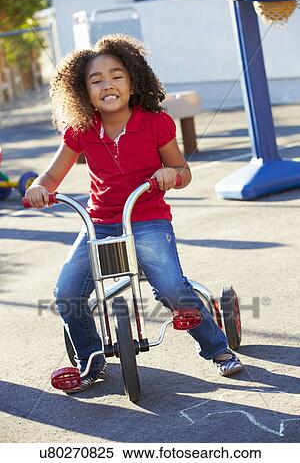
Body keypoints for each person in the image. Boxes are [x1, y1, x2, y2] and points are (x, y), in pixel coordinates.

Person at [25, 34, 243, 393]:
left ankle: (217, 349)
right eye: (96, 80)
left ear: (133, 80)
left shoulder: (155, 123)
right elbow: (51, 176)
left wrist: (169, 175)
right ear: (83, 90)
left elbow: (183, 172)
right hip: (100, 223)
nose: (107, 85)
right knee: (66, 293)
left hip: (147, 218)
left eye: (116, 76)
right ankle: (90, 360)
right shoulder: (81, 131)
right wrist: (40, 188)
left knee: (172, 287)